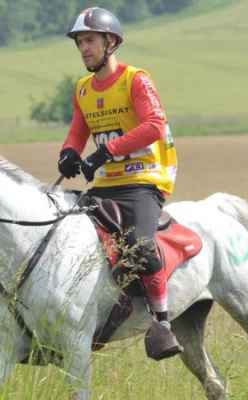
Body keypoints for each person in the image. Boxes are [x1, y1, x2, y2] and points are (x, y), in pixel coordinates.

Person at [56, 7, 180, 354]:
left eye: (90, 41)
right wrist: (68, 153)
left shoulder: (135, 79)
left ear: (110, 42)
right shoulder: (82, 89)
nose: (83, 48)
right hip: (106, 184)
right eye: (80, 42)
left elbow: (154, 125)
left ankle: (162, 324)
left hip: (143, 179)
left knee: (140, 247)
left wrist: (107, 150)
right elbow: (77, 133)